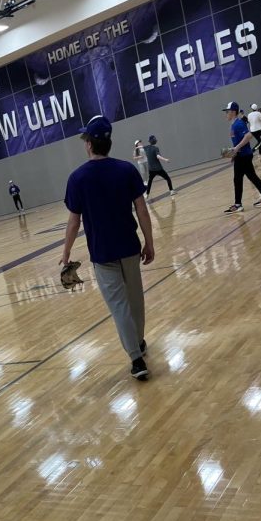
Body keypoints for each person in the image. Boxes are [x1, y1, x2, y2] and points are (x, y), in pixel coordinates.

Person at [62, 115, 155, 381]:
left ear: (89, 144)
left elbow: (73, 220)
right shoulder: (126, 170)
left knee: (119, 305)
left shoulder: (77, 178)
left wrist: (66, 252)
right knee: (135, 299)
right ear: (109, 143)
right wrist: (149, 241)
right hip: (130, 246)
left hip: (102, 253)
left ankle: (136, 359)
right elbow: (142, 209)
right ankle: (138, 341)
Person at [222, 100, 261, 214]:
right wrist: (234, 153)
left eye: (227, 111)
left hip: (243, 156)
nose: (226, 114)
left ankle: (238, 205)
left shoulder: (238, 124)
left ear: (233, 112)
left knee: (237, 179)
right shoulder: (234, 124)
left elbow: (248, 136)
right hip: (242, 155)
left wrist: (237, 148)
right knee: (252, 176)